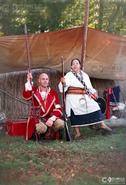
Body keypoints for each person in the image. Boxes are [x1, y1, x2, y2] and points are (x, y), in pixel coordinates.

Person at [58, 58, 112, 139]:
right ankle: (78, 133)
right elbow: (61, 87)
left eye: (77, 63)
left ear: (80, 65)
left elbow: (89, 87)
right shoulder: (68, 75)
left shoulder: (85, 75)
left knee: (95, 106)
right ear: (71, 67)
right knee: (74, 112)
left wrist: (93, 92)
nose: (75, 65)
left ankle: (102, 125)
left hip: (85, 96)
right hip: (73, 97)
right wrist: (63, 83)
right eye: (73, 64)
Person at [23, 72, 64, 140]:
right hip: (38, 118)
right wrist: (28, 81)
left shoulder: (53, 93)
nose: (45, 81)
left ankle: (53, 133)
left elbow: (58, 108)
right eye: (43, 79)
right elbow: (26, 96)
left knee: (61, 124)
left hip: (51, 117)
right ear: (39, 80)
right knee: (41, 128)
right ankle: (41, 134)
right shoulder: (34, 90)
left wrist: (52, 119)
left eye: (47, 79)